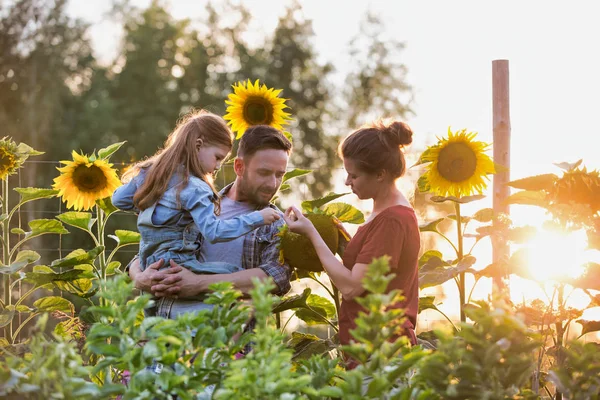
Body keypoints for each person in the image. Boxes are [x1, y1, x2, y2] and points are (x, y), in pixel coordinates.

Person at [112, 110, 281, 315]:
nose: (218, 166)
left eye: (280, 175)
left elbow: (274, 278)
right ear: (239, 166)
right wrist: (138, 276)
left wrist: (151, 204)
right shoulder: (197, 193)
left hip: (216, 332)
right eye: (218, 158)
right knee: (233, 274)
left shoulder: (152, 174)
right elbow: (212, 232)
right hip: (170, 302)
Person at [282, 119, 420, 369]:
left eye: (354, 175)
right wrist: (343, 239)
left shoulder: (391, 220)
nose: (347, 182)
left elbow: (352, 286)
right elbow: (372, 271)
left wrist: (314, 235)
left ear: (380, 174)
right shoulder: (384, 213)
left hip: (381, 355)